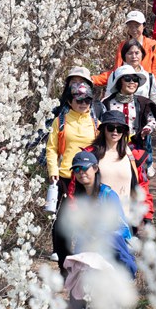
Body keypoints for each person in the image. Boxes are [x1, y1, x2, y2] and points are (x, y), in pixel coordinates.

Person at [56, 151, 137, 309]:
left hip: (107, 252)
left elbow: (123, 229)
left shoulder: (108, 195)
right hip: (84, 253)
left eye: (85, 168)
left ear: (95, 168)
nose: (81, 172)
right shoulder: (78, 198)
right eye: (76, 169)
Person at [46, 76, 100, 259]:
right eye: (79, 100)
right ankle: (59, 250)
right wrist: (53, 171)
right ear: (70, 101)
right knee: (63, 215)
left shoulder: (95, 122)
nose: (84, 104)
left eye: (87, 100)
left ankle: (85, 248)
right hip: (65, 174)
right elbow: (52, 148)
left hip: (88, 176)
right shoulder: (60, 121)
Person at [84, 110, 155, 227]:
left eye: (120, 129)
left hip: (127, 220)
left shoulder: (132, 156)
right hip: (98, 221)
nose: (115, 132)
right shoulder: (90, 155)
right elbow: (78, 187)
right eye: (111, 127)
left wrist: (147, 215)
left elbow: (142, 185)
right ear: (103, 129)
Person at [103, 65, 156, 175]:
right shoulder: (107, 103)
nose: (132, 82)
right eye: (127, 79)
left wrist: (148, 128)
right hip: (111, 147)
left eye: (135, 79)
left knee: (137, 178)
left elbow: (152, 118)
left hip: (135, 146)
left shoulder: (142, 102)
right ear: (119, 82)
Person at [91, 11, 156, 98]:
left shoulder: (152, 45)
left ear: (144, 26)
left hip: (144, 90)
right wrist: (94, 79)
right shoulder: (123, 45)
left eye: (137, 26)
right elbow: (117, 71)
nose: (133, 29)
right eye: (130, 26)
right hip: (125, 89)